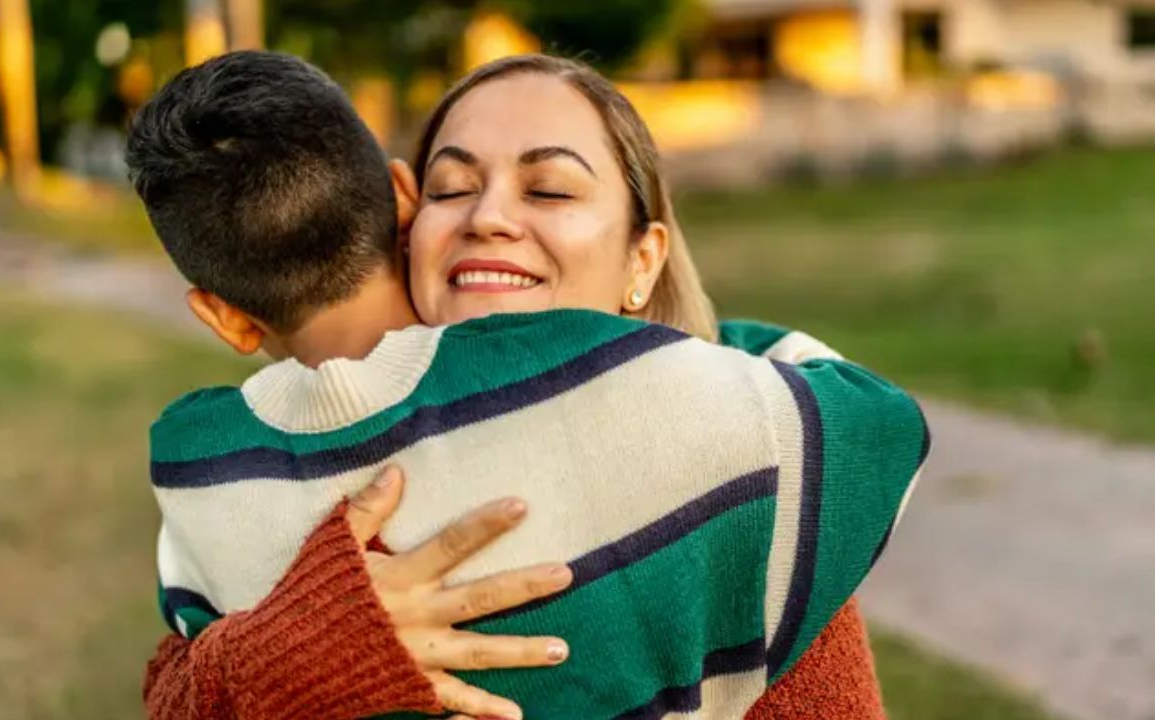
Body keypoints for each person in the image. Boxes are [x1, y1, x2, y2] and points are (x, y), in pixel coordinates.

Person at [129, 51, 927, 719]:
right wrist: (299, 654)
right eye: (453, 187)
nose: (490, 217)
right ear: (406, 214)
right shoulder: (264, 503)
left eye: (549, 189)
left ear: (640, 260)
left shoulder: (734, 506)